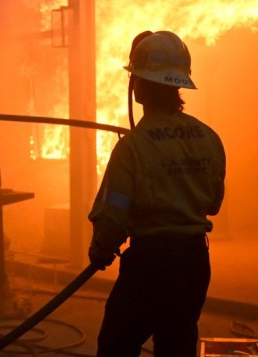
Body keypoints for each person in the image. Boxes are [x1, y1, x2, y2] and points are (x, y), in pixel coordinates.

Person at [87, 31, 226, 357]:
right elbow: (214, 204)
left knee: (115, 347)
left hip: (150, 264)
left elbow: (115, 212)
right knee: (177, 347)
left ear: (137, 85)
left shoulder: (132, 147)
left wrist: (101, 249)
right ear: (180, 83)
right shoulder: (210, 138)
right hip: (194, 264)